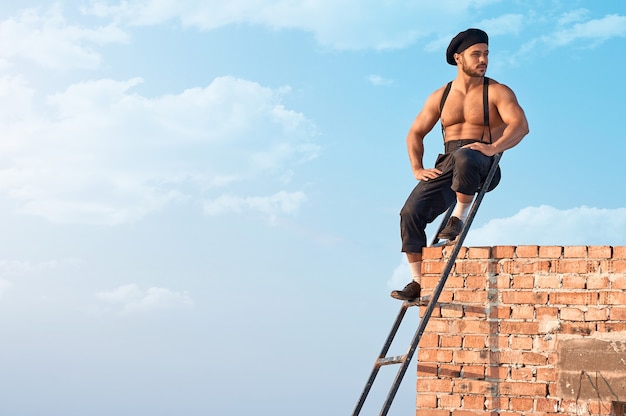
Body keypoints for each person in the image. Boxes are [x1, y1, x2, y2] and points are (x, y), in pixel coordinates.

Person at [390, 28, 529, 301]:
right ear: (458, 58)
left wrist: (493, 147)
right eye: (476, 54)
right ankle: (419, 282)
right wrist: (417, 168)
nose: (483, 59)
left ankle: (459, 217)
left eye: (486, 54)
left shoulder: (497, 92)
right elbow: (414, 133)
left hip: (482, 161)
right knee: (410, 213)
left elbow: (521, 126)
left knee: (466, 155)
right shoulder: (441, 96)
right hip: (447, 163)